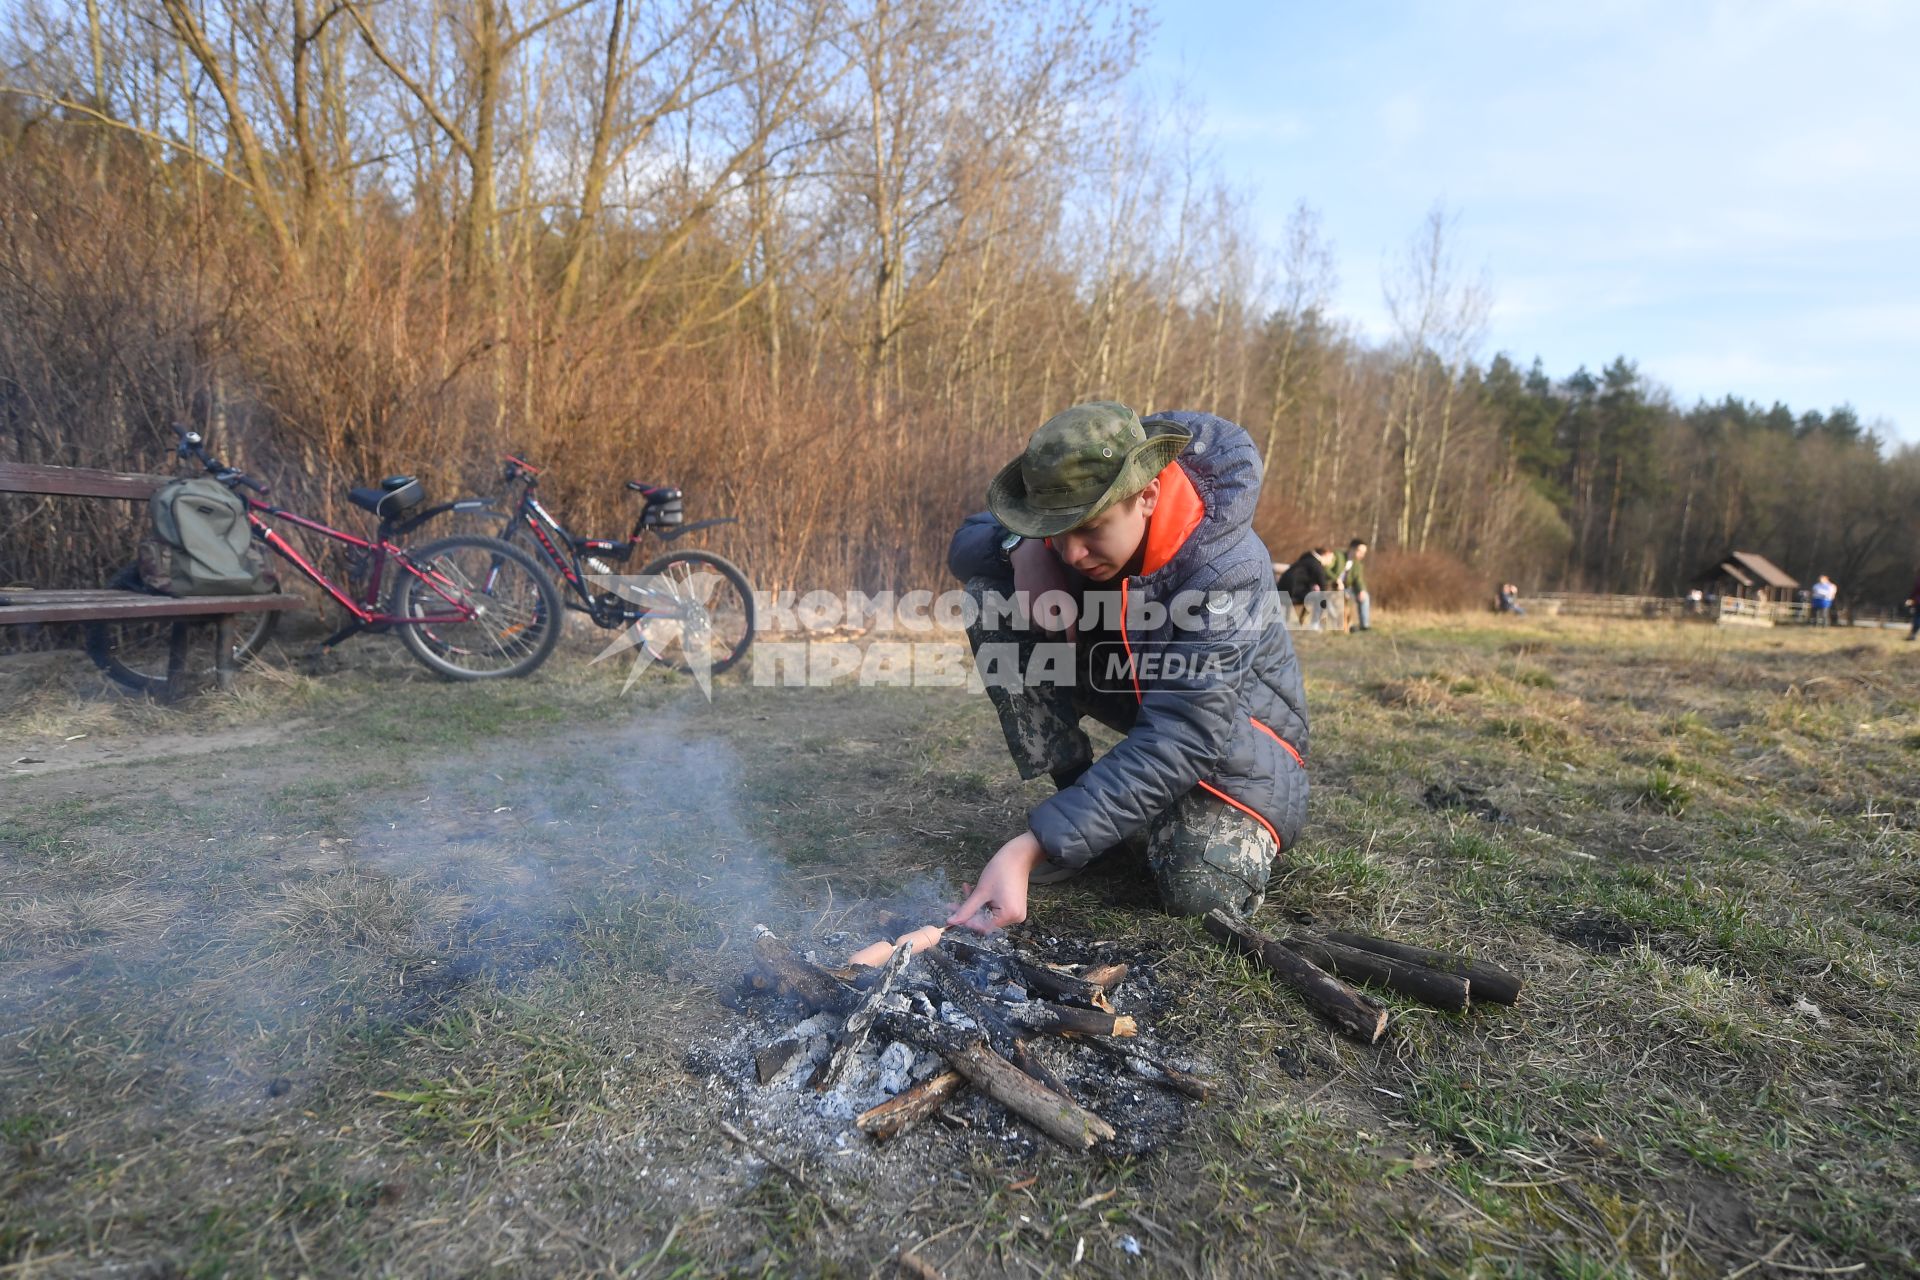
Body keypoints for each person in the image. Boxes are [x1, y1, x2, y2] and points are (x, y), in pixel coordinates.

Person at [945, 402, 1309, 933]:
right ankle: (1080, 791)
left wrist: (1032, 847)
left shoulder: (1229, 567)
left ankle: (1127, 813)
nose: (1071, 554)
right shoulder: (1075, 530)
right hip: (1142, 690)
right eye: (1057, 531)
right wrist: (1022, 546)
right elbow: (967, 541)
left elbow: (1185, 731)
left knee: (1197, 887)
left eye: (1089, 528)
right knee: (990, 597)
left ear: (1148, 496)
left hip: (1239, 739)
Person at [1276, 546, 1334, 628]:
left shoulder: (1306, 560)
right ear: (1326, 554)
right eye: (1331, 558)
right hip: (1291, 593)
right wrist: (1327, 607)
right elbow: (1323, 588)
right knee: (1319, 597)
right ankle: (1314, 625)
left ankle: (1300, 622)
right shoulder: (1316, 565)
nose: (1330, 562)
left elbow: (1302, 578)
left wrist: (1311, 586)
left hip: (1282, 589)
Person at [1332, 538, 1372, 631]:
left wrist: (1361, 590)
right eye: (1360, 551)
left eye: (1364, 552)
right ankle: (1348, 625)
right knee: (1344, 598)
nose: (1362, 555)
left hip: (1347, 588)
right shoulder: (1338, 556)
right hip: (1333, 587)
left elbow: (1358, 580)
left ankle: (1364, 625)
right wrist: (1336, 580)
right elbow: (1327, 570)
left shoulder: (1358, 564)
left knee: (1365, 596)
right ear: (1352, 549)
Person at [1905, 567, 1920, 641]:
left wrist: (1910, 599)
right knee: (1917, 618)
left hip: (1918, 602)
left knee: (1917, 618)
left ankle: (1913, 635)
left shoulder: (1918, 580)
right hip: (1917, 601)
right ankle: (1913, 635)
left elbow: (1915, 591)